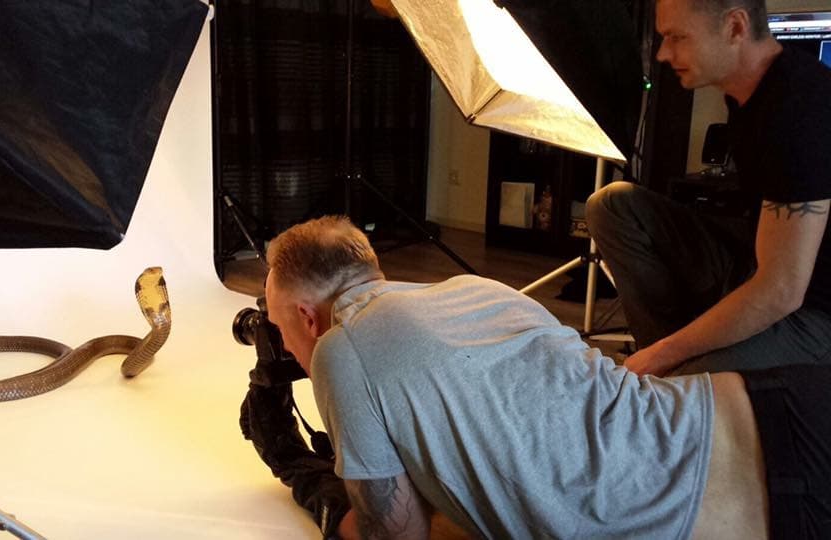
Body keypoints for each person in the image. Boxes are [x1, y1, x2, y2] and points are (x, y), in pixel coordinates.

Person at [264, 215, 830, 539]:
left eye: (279, 326)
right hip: (772, 402)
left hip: (764, 509)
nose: (287, 345)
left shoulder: (343, 350)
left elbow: (399, 535)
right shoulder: (476, 289)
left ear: (308, 317)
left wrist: (307, 478)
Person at [586, 0, 831, 376]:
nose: (664, 53)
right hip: (758, 267)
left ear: (735, 27)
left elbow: (781, 291)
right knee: (613, 205)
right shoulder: (744, 93)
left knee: (683, 382)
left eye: (677, 37)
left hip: (814, 313)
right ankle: (663, 367)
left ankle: (667, 372)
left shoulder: (800, 110)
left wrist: (667, 353)